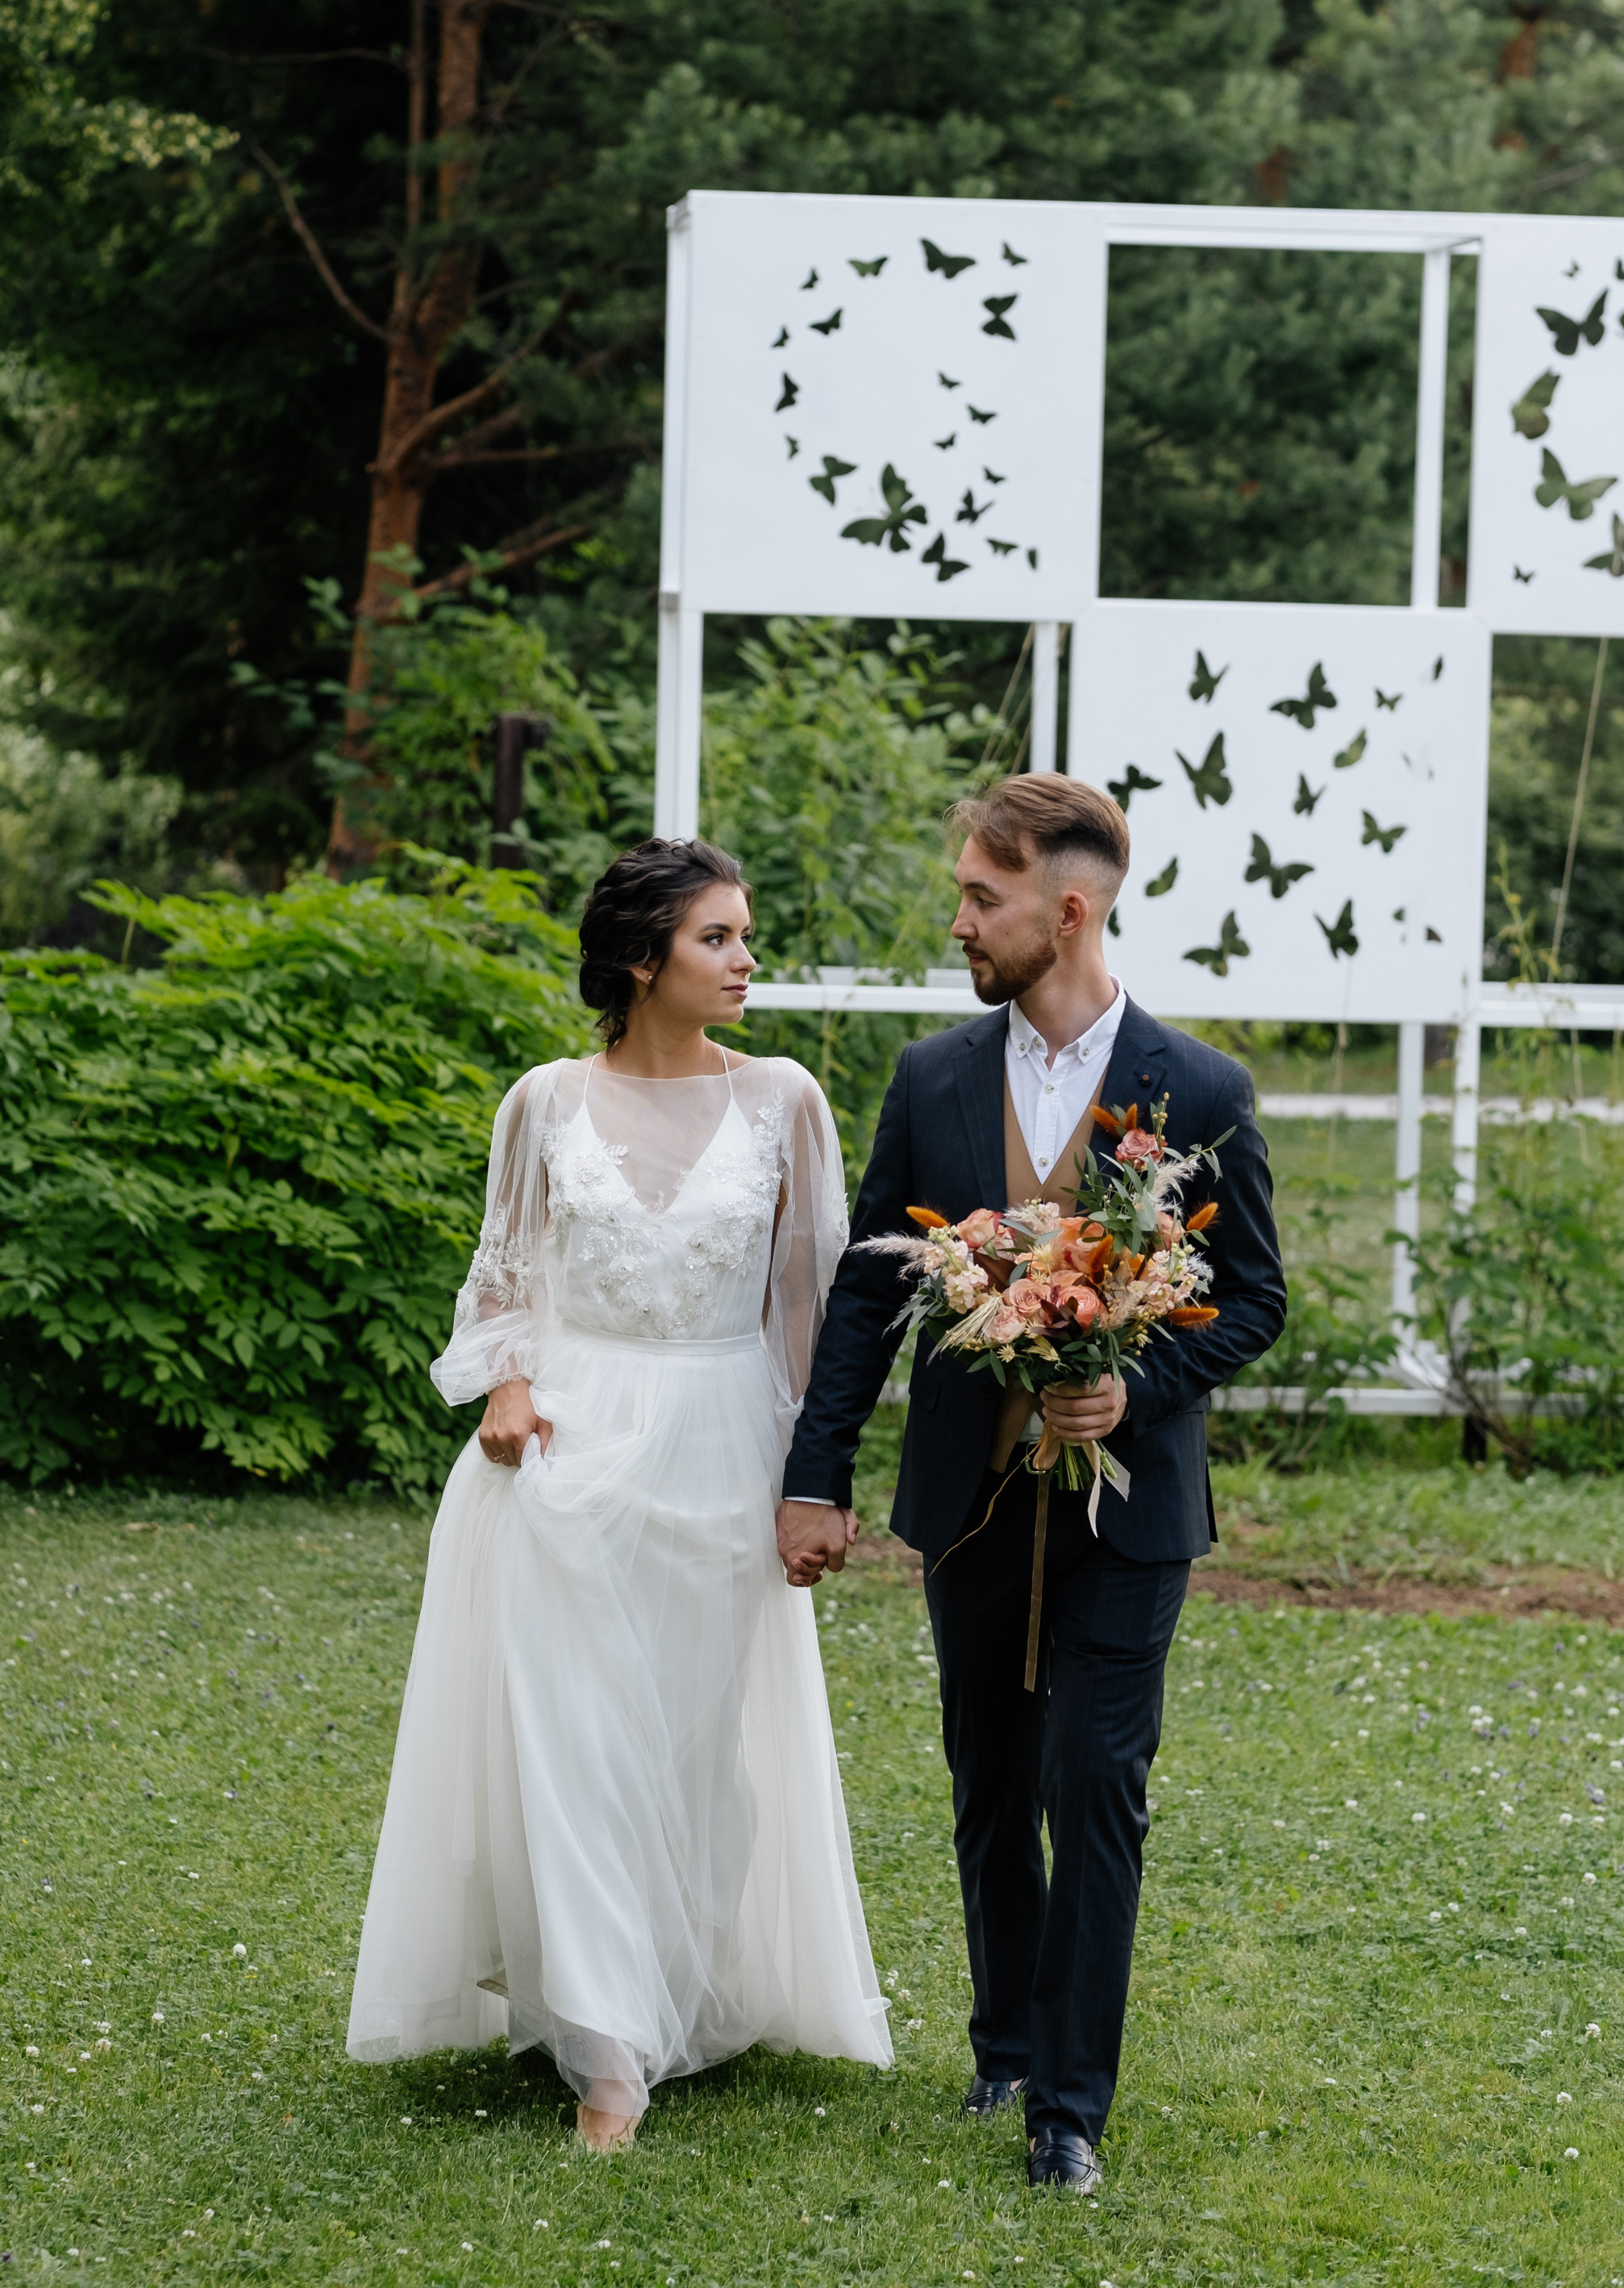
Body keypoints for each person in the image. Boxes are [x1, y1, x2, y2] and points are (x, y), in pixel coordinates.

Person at [777, 773, 1286, 2194]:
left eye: (979, 899)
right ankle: (1002, 2045)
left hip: (1130, 1517)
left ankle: (1068, 2107)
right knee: (992, 1786)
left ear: (1065, 909)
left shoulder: (1200, 1091)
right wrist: (812, 1478)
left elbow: (1251, 1298)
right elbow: (869, 1292)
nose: (958, 922)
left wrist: (1143, 1383)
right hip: (973, 1501)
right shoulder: (933, 1079)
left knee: (1095, 1787)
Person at [348, 837, 892, 2150]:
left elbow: (813, 1309)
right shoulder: (542, 1101)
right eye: (718, 938)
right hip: (567, 1452)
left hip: (720, 1442)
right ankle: (606, 2054)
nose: (746, 959)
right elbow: (500, 1284)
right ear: (642, 959)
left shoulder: (784, 1101)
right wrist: (507, 1387)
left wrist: (816, 1481)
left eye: (744, 935)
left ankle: (678, 1984)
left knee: (698, 1755)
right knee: (575, 1746)